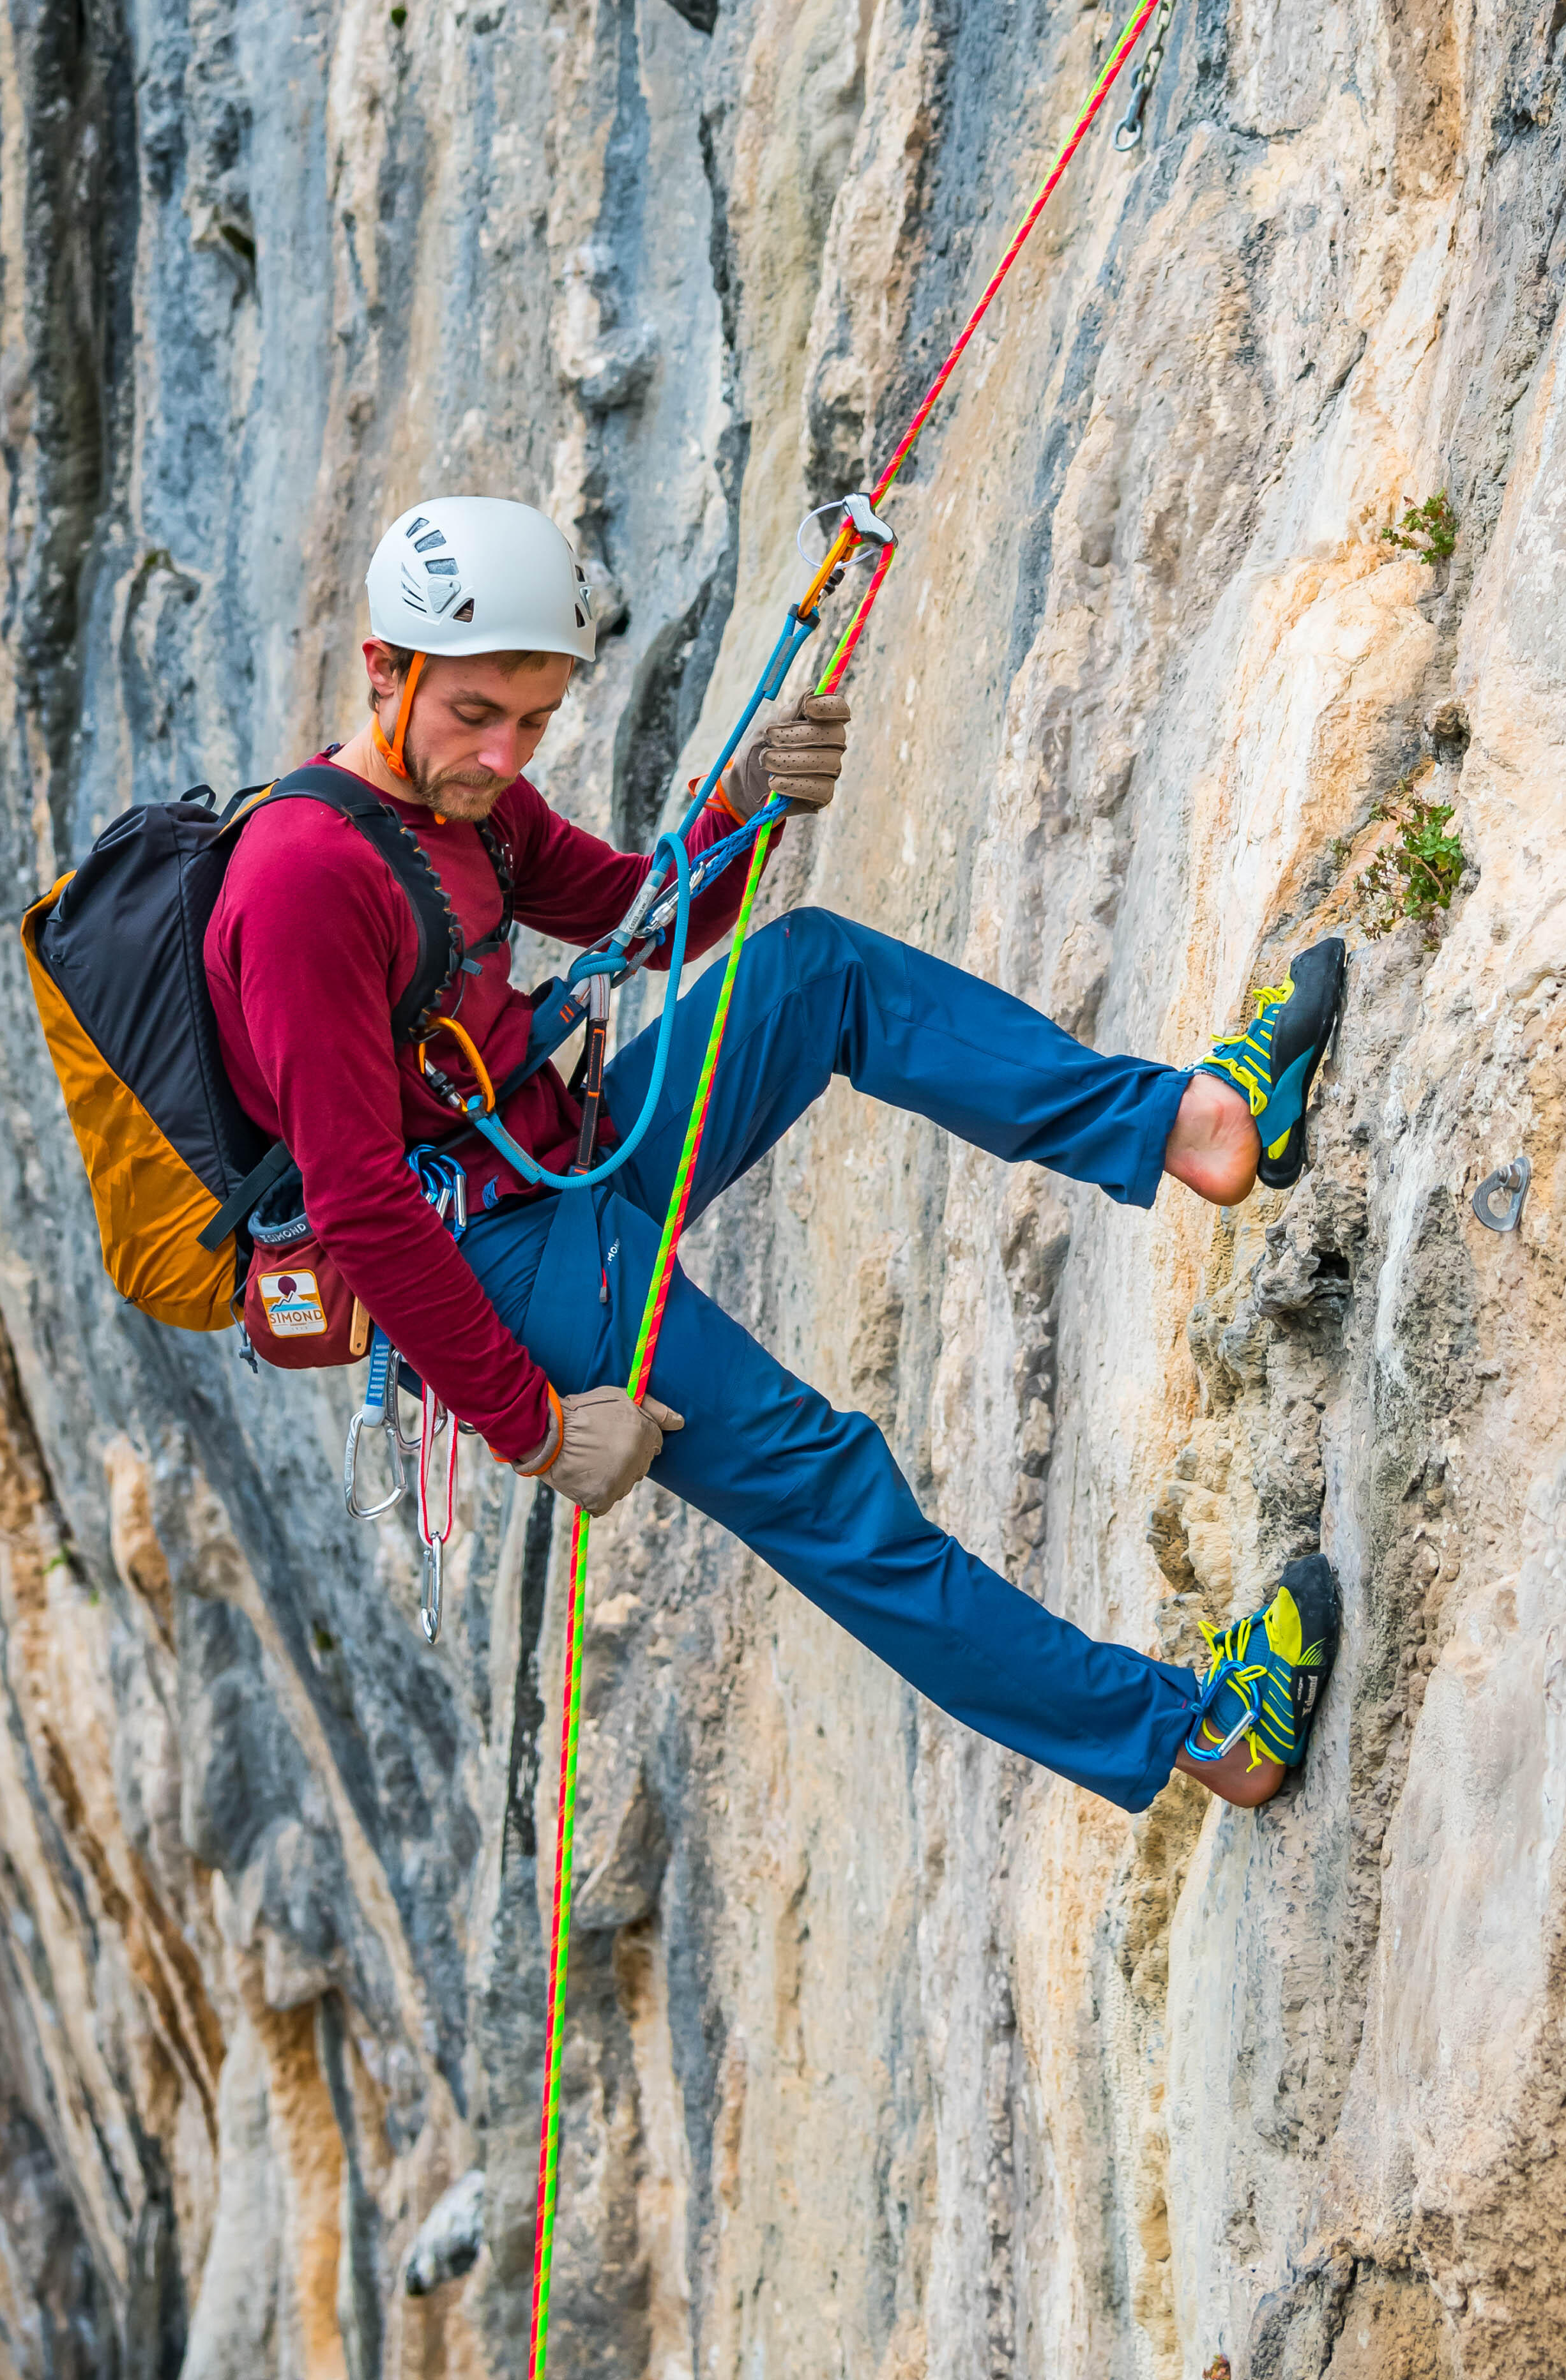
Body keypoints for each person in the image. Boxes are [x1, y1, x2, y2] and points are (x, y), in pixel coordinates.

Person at [206, 497, 1348, 1813]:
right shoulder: (303, 881)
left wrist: (740, 799)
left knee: (817, 975)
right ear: (383, 671)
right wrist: (531, 1432)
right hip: (493, 1263)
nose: (506, 753)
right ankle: (1203, 1737)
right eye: (475, 714)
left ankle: (1194, 1127)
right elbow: (357, 1206)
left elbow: (637, 913)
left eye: (533, 721)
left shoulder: (472, 807)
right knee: (824, 1483)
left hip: (561, 1162)